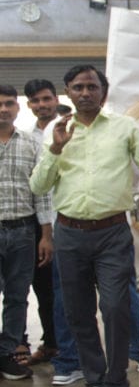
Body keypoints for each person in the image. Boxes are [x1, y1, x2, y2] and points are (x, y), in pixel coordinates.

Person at [29, 65, 139, 387]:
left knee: (114, 307)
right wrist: (54, 149)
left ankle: (117, 386)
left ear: (104, 92)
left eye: (91, 86)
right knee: (79, 312)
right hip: (69, 234)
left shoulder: (124, 127)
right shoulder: (57, 131)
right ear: (68, 92)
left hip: (112, 233)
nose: (85, 93)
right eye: (78, 87)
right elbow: (38, 186)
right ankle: (95, 385)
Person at [0, 84, 54, 381]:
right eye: (0, 104)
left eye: (9, 104)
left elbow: (42, 193)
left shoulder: (31, 145)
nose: (4, 109)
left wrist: (45, 236)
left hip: (23, 232)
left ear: (17, 108)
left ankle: (8, 354)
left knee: (17, 297)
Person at [19, 79, 60, 367]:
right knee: (39, 287)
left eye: (46, 99)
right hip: (34, 223)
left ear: (56, 99)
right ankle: (47, 344)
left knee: (60, 291)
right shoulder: (26, 137)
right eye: (35, 100)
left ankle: (61, 346)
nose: (41, 105)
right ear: (29, 104)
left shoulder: (68, 128)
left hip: (66, 221)